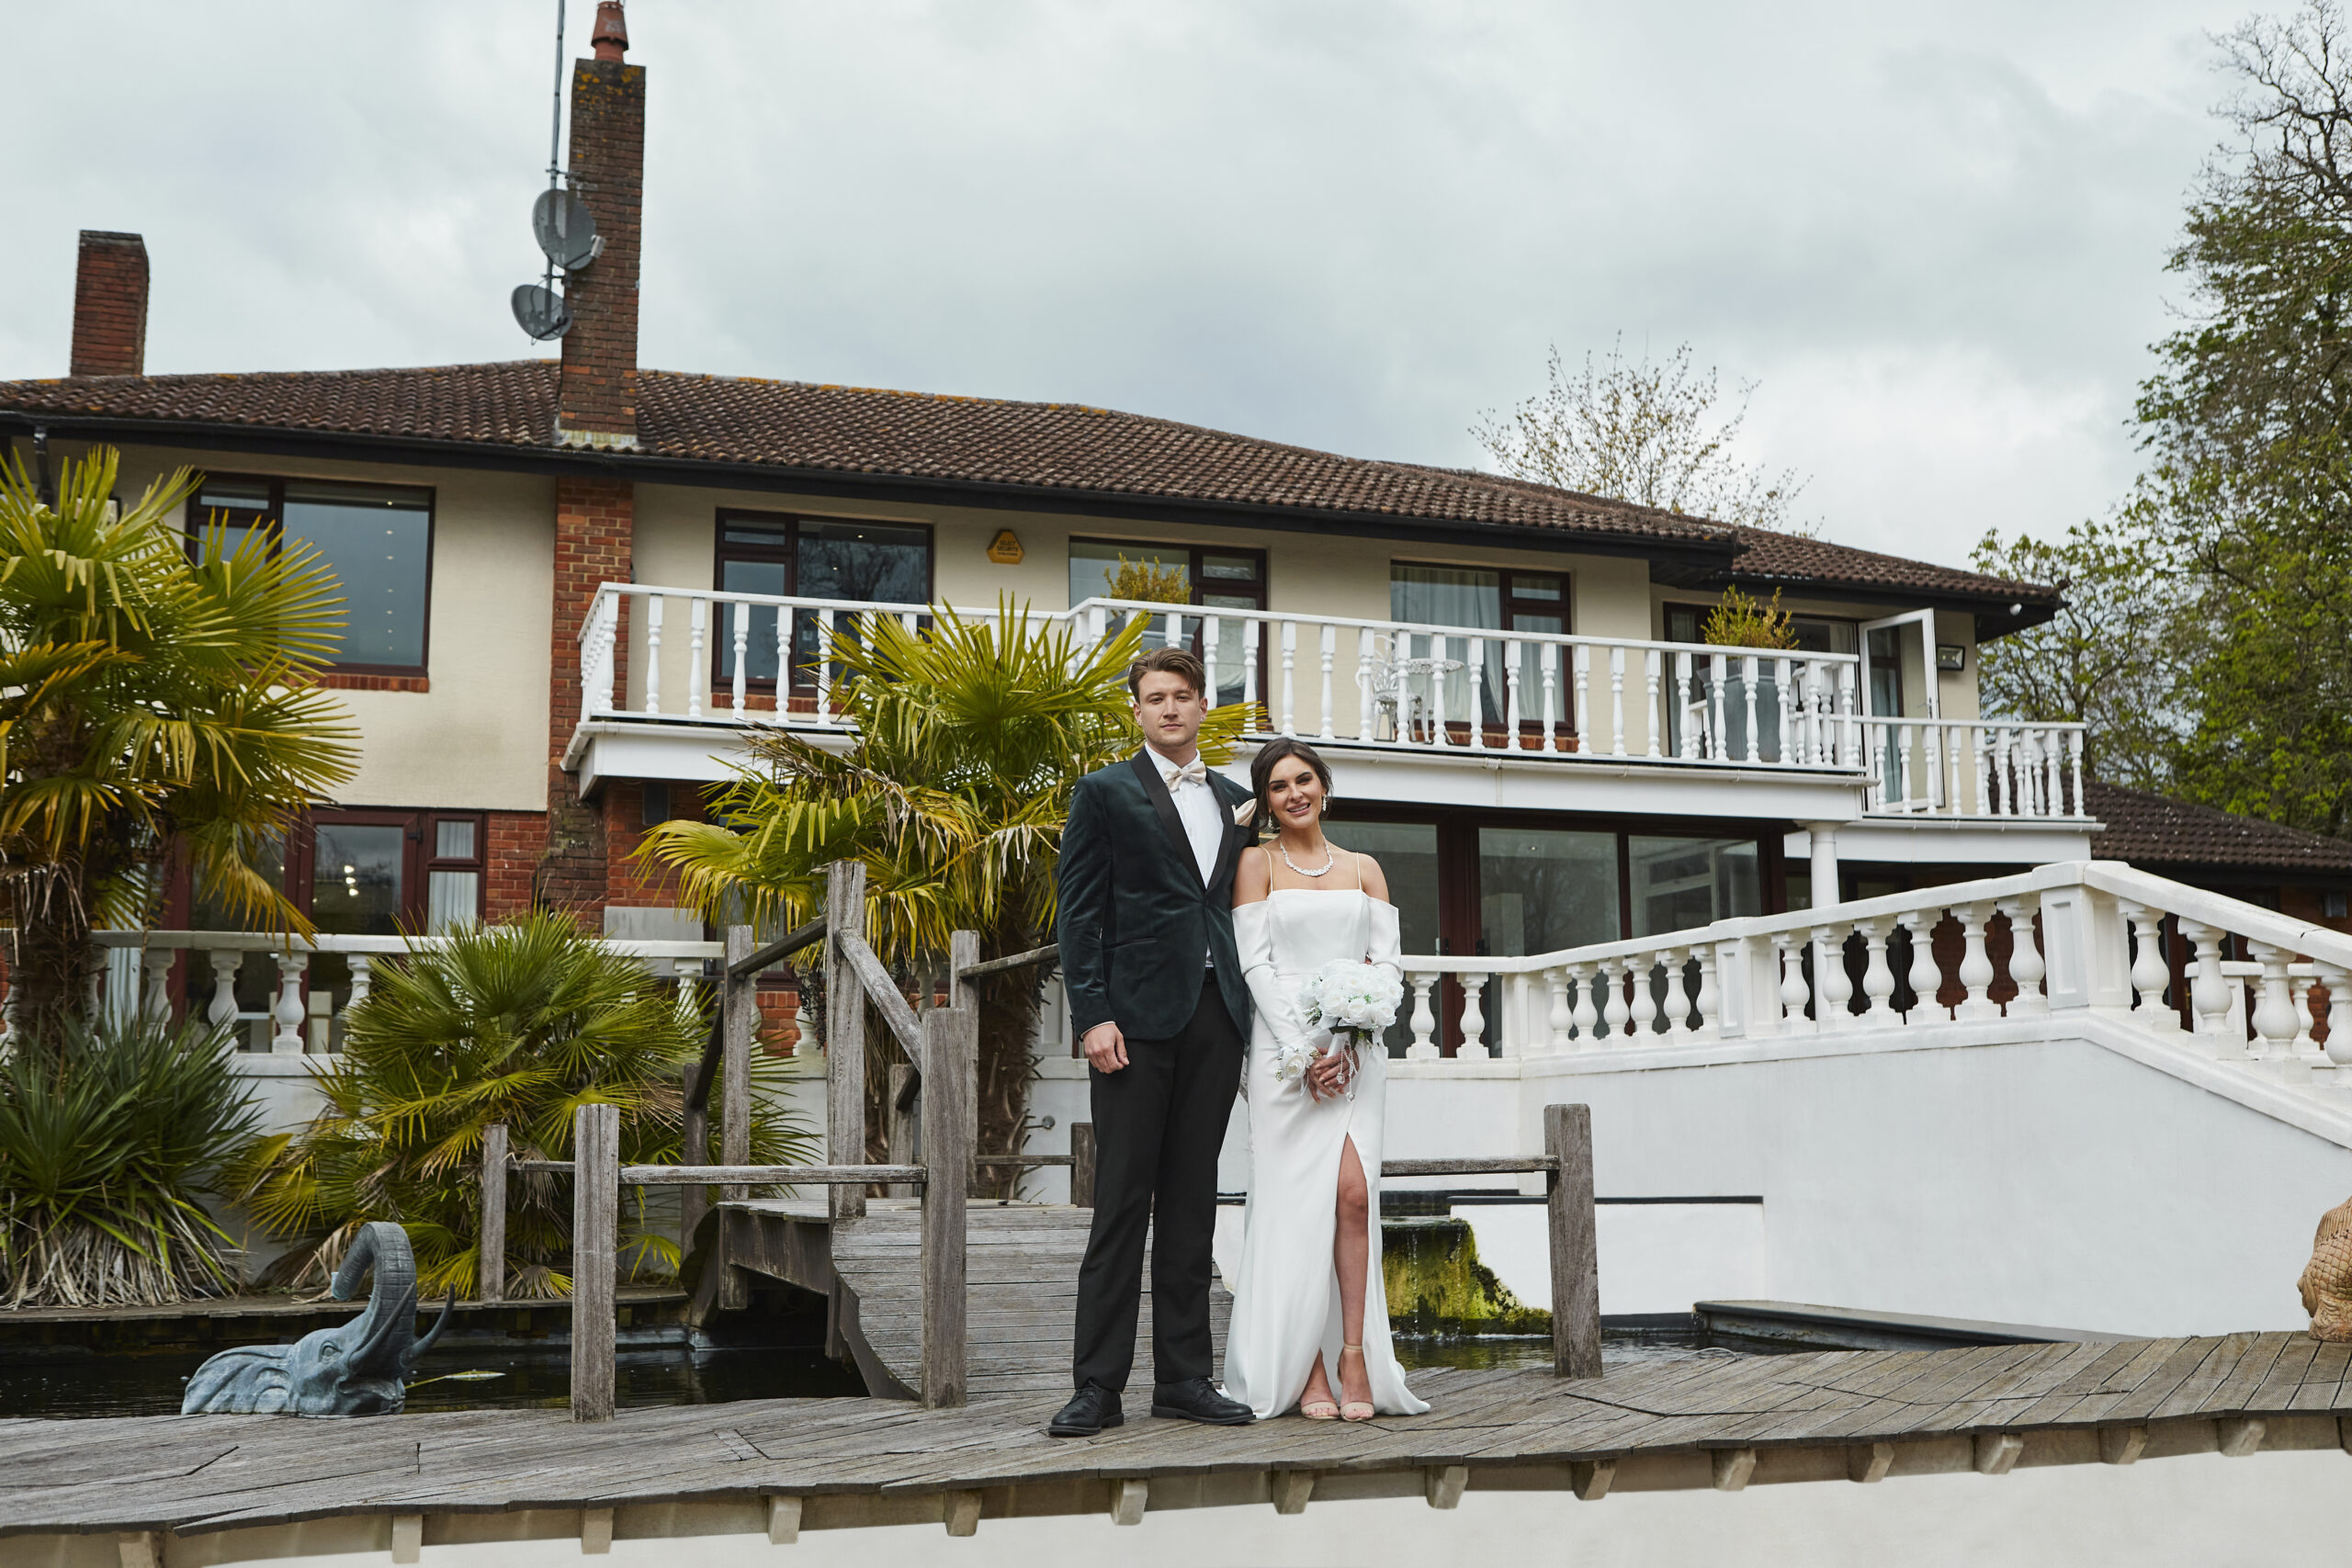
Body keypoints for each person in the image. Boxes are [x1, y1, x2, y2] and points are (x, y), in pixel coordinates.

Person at [1049, 647, 1258, 1438]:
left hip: (1216, 1019)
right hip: (1132, 1023)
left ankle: (1184, 1378)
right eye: (1155, 697)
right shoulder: (1103, 791)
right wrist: (1092, 1014)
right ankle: (1097, 1386)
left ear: (1203, 705)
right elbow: (1079, 912)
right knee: (1121, 1203)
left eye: (1182, 695)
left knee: (1193, 1203)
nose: (1169, 708)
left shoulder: (1236, 800)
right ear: (1136, 710)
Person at [1221, 738, 1429, 1421]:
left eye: (1303, 779)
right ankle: (1305, 1363)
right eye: (1278, 785)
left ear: (1324, 786)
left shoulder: (1366, 869)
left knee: (1352, 1195)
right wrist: (1303, 1051)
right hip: (1285, 1054)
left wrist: (1345, 1037)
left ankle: (1355, 1356)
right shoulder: (1256, 864)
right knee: (1294, 1206)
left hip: (1357, 1052)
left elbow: (1387, 965)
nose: (1294, 793)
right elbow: (1255, 964)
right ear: (1266, 800)